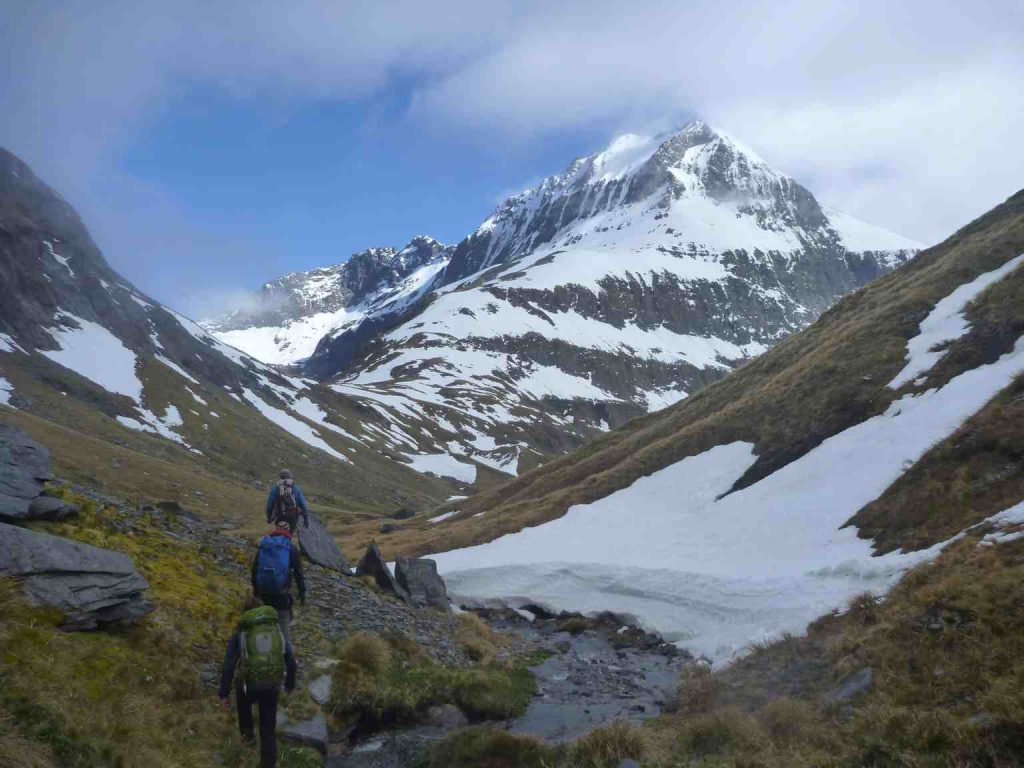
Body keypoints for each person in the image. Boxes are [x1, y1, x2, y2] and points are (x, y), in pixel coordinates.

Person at [219, 597, 296, 768]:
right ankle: (267, 763)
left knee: (244, 711)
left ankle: (247, 745)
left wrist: (224, 694)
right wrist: (290, 683)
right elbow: (290, 658)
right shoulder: (275, 628)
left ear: (245, 613)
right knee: (268, 730)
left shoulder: (241, 631)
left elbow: (229, 664)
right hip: (272, 683)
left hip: (248, 685)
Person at [251, 525, 306, 643]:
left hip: (263, 595)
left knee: (263, 630)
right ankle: (287, 659)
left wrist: (256, 594)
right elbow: (299, 574)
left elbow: (254, 571)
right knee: (284, 635)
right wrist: (302, 592)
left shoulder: (264, 547)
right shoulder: (291, 549)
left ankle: (262, 654)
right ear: (288, 535)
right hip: (281, 596)